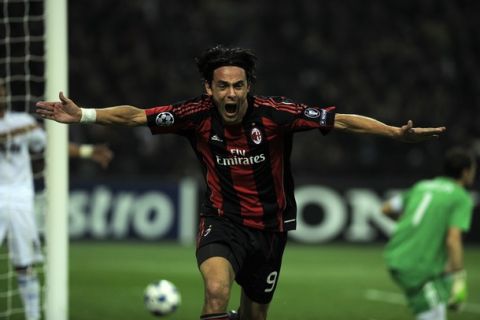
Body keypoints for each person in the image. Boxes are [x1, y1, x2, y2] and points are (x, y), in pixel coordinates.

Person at [35, 45, 446, 320]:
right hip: (221, 221)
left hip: (270, 228)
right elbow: (135, 116)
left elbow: (340, 120)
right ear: (209, 89)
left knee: (255, 314)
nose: (230, 93)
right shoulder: (194, 113)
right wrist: (84, 115)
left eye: (238, 85)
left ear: (248, 86)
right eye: (222, 85)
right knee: (216, 292)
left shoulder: (276, 113)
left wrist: (394, 133)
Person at [0, 81, 113, 320]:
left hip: (20, 200)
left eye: (2, 91)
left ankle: (32, 316)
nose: (1, 95)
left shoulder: (22, 123)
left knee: (25, 263)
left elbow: (52, 146)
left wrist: (87, 152)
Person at [382, 147, 476, 320]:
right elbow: (453, 239)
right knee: (434, 315)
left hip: (398, 255)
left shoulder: (422, 186)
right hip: (419, 264)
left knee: (438, 301)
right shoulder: (460, 197)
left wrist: (408, 222)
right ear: (465, 172)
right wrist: (459, 276)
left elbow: (386, 208)